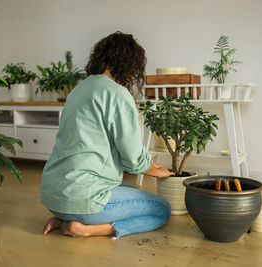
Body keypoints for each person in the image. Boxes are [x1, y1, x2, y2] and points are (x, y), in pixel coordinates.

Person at [40, 31, 174, 239]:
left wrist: (150, 164)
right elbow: (132, 159)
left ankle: (64, 218)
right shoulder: (117, 93)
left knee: (126, 188)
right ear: (129, 64)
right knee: (162, 209)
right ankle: (82, 228)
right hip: (83, 200)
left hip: (54, 196)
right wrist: (155, 170)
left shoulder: (78, 90)